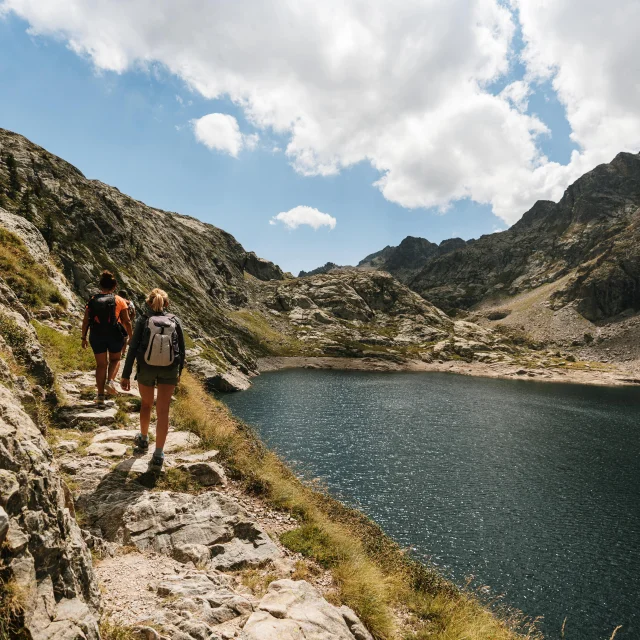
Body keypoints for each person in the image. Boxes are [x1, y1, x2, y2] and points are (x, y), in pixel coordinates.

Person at [121, 288, 186, 474]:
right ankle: (158, 454)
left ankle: (143, 439)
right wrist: (178, 372)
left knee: (146, 405)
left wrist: (125, 375)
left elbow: (133, 348)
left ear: (149, 303)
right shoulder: (175, 321)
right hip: (169, 369)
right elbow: (181, 349)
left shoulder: (143, 320)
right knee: (163, 410)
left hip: (146, 368)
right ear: (167, 304)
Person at [81, 270, 133, 406]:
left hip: (96, 334)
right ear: (114, 287)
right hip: (114, 334)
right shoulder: (120, 300)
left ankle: (100, 396)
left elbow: (86, 320)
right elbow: (127, 321)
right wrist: (131, 337)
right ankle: (110, 381)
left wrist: (83, 337)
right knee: (115, 359)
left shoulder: (92, 299)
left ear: (100, 286)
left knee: (101, 365)